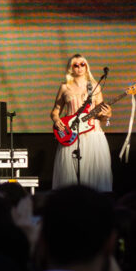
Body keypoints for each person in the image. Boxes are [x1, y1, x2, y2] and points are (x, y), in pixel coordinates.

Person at [50, 54, 113, 192]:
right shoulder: (64, 87)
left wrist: (107, 115)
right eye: (76, 65)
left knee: (95, 177)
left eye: (82, 64)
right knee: (69, 180)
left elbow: (101, 117)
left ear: (86, 66)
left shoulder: (95, 87)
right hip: (71, 135)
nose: (79, 67)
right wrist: (56, 120)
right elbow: (55, 111)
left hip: (93, 135)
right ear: (70, 68)